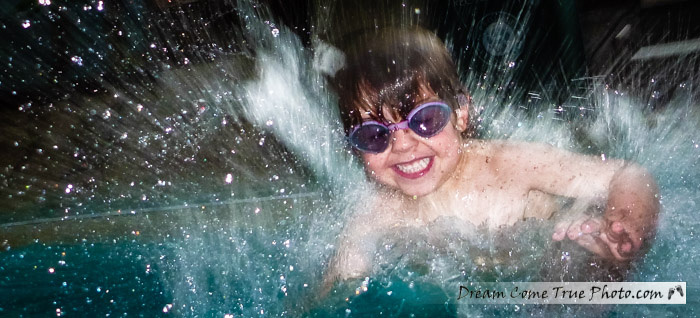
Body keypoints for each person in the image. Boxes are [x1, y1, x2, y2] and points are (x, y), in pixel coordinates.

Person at [322, 27, 659, 286]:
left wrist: (625, 222)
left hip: (550, 273)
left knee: (579, 259)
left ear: (462, 113)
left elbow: (627, 174)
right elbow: (333, 299)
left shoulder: (511, 165)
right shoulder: (374, 218)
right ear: (354, 146)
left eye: (424, 120)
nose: (403, 145)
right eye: (373, 135)